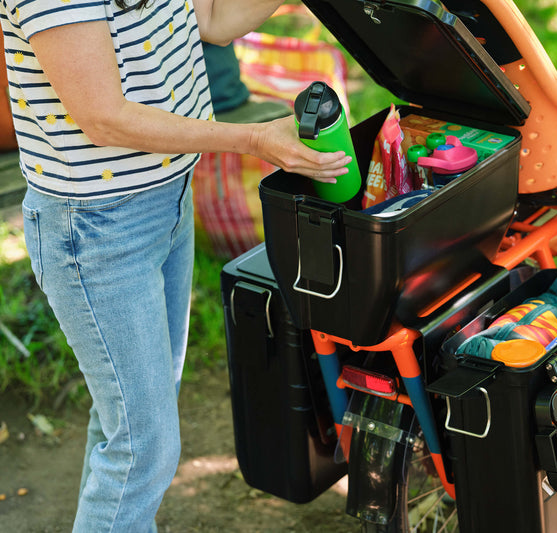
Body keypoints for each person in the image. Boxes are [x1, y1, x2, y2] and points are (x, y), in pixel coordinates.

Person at [0, 0, 351, 530]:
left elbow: (207, 19)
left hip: (167, 197)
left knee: (129, 423)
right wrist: (254, 138)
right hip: (97, 229)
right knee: (144, 450)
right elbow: (103, 117)